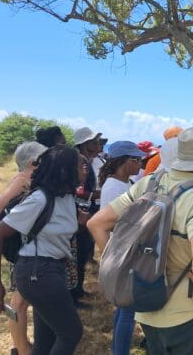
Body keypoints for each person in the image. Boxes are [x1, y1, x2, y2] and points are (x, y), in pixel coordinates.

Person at [88, 125, 193, 355]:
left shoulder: (149, 184)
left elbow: (96, 223)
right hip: (188, 313)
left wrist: (122, 264)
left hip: (147, 306)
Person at [0, 145, 87, 354]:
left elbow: (85, 220)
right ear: (64, 170)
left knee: (46, 339)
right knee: (71, 333)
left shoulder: (65, 196)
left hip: (51, 270)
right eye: (81, 165)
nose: (85, 169)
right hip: (38, 272)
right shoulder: (40, 199)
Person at [0, 141, 47, 355]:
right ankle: (21, 349)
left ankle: (22, 346)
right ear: (33, 163)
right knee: (19, 302)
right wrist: (17, 223)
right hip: (22, 250)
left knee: (22, 301)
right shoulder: (21, 181)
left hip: (29, 249)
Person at [97, 141, 145, 355]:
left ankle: (117, 348)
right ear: (125, 162)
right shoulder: (116, 187)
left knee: (123, 308)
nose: (140, 164)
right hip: (124, 252)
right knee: (128, 311)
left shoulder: (121, 183)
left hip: (123, 251)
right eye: (137, 160)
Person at [71, 126, 103, 304]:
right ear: (85, 144)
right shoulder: (82, 163)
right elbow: (80, 190)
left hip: (87, 211)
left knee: (82, 252)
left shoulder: (91, 161)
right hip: (82, 213)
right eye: (95, 141)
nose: (99, 144)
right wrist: (100, 194)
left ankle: (78, 290)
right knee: (79, 252)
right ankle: (74, 294)